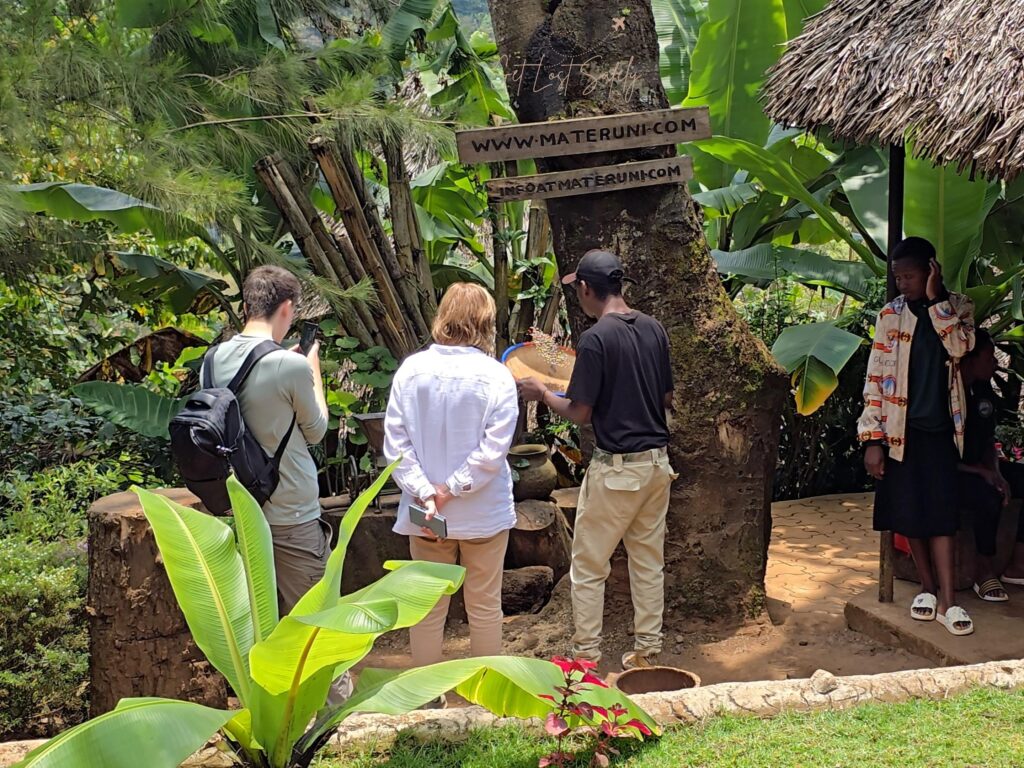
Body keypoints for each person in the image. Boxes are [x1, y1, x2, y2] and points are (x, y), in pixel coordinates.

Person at [517, 249, 675, 670]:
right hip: (657, 465)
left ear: (586, 289)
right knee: (647, 561)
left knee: (588, 566)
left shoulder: (596, 339)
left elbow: (580, 412)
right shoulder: (654, 329)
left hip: (617, 469)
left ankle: (585, 658)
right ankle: (647, 650)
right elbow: (665, 398)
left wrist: (542, 394)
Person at [384, 283, 519, 670]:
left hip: (425, 516)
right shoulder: (496, 376)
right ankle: (486, 691)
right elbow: (493, 452)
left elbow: (396, 446)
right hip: (483, 514)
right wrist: (450, 489)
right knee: (485, 604)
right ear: (486, 323)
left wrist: (427, 493)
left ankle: (427, 697)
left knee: (426, 608)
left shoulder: (411, 370)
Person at [858, 237, 976, 636]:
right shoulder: (889, 316)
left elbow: (961, 347)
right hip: (897, 433)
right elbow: (874, 379)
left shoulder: (957, 309)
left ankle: (949, 600)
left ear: (931, 269)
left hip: (942, 429)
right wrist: (872, 439)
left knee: (942, 514)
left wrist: (934, 301)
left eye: (909, 275)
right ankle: (926, 589)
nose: (902, 283)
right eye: (897, 277)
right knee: (910, 513)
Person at [201, 265, 330, 614]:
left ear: (247, 306)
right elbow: (317, 430)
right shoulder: (290, 365)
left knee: (265, 623)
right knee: (313, 624)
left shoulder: (211, 360)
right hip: (291, 513)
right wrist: (312, 369)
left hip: (245, 510)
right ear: (286, 308)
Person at [956, 329, 1024, 601]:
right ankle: (984, 571)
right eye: (988, 357)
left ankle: (1018, 563)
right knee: (988, 496)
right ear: (969, 360)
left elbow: (987, 440)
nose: (994, 363)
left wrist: (995, 470)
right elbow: (938, 458)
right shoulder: (946, 394)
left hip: (978, 466)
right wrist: (983, 474)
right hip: (949, 473)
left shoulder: (983, 390)